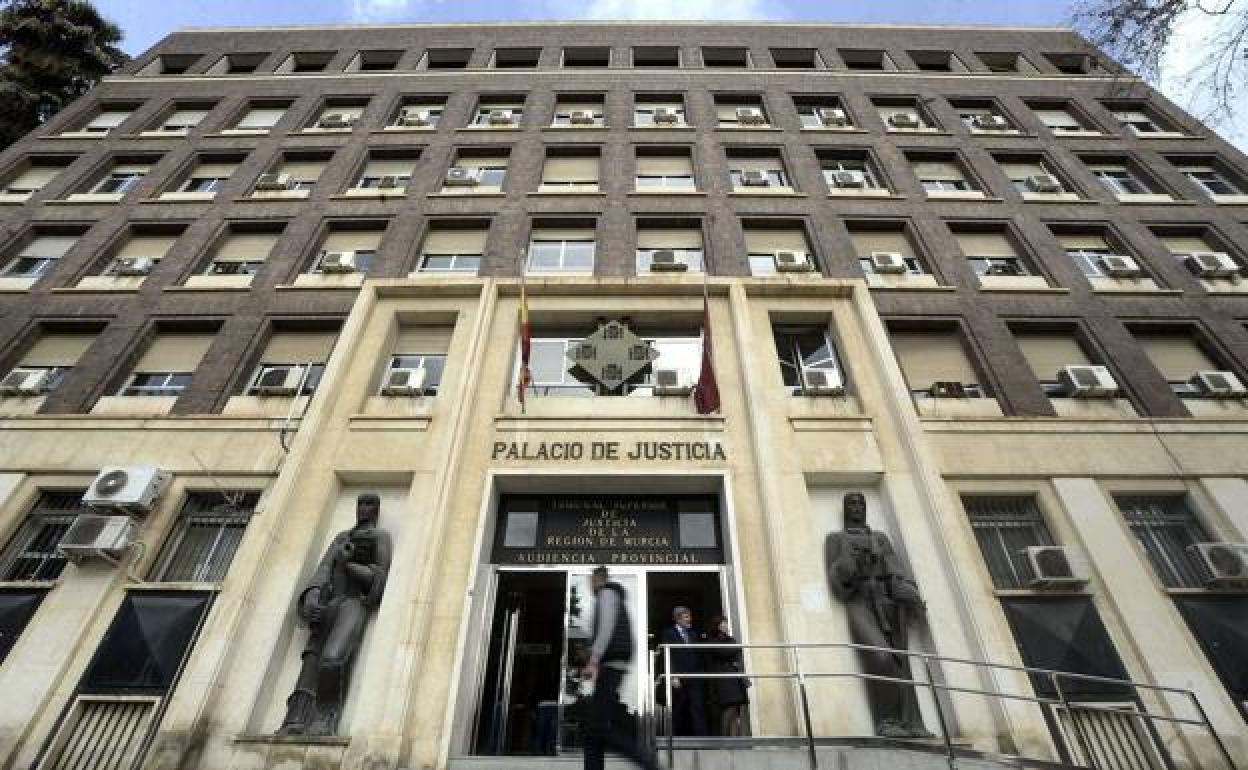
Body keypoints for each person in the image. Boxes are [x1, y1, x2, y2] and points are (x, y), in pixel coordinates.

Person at [278, 493, 392, 736]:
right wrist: (311, 597)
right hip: (330, 601)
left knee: (332, 657)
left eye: (369, 504)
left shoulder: (380, 537)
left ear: (377, 509)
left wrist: (350, 565)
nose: (364, 508)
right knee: (312, 658)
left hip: (354, 602)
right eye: (360, 503)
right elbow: (323, 568)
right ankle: (296, 717)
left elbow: (379, 578)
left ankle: (324, 717)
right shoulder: (342, 537)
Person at [824, 492, 931, 739]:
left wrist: (909, 593)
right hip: (859, 601)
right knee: (880, 656)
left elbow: (898, 572)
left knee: (900, 661)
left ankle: (911, 722)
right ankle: (886, 721)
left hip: (887, 601)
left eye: (861, 503)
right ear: (844, 509)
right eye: (852, 503)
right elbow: (837, 583)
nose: (857, 507)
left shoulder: (880, 539)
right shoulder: (836, 539)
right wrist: (849, 563)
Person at [583, 566, 659, 770]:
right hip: (611, 666)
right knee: (594, 732)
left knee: (600, 729)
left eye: (590, 581)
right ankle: (648, 763)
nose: (589, 585)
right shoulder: (613, 596)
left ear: (597, 579)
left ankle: (648, 763)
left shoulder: (607, 594)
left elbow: (606, 627)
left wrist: (593, 659)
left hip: (610, 666)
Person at [659, 605, 708, 737]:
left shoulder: (693, 633)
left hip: (695, 676)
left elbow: (698, 654)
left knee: (697, 707)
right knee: (678, 708)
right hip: (679, 677)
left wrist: (701, 673)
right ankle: (674, 737)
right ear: (677, 619)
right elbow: (666, 656)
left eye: (689, 616)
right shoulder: (668, 633)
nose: (690, 619)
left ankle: (702, 738)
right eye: (687, 617)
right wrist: (673, 675)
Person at [704, 615, 749, 737]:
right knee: (729, 708)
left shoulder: (729, 639)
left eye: (726, 623)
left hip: (734, 678)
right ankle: (725, 739)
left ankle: (734, 739)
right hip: (723, 680)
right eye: (723, 623)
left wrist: (733, 648)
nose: (726, 625)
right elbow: (723, 651)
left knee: (735, 710)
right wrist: (734, 648)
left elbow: (735, 652)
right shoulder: (712, 640)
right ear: (717, 625)